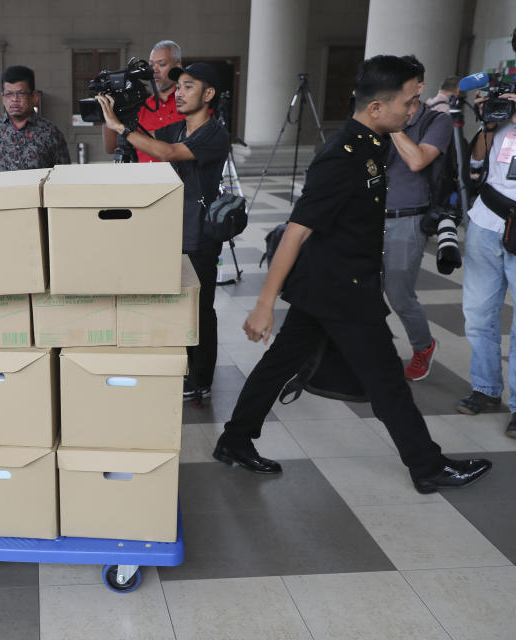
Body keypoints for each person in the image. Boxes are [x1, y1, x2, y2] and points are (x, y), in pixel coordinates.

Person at [207, 55, 491, 495]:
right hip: (342, 291)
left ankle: (234, 440)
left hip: (331, 285)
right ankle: (427, 466)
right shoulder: (341, 156)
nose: (415, 110)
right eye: (410, 102)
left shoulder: (374, 143)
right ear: (376, 108)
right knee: (386, 382)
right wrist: (263, 305)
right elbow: (297, 231)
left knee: (279, 364)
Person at [97, 62, 230, 404]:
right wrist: (118, 114)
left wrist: (123, 129)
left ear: (209, 94)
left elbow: (168, 153)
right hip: (175, 231)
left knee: (200, 309)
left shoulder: (213, 132)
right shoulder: (178, 128)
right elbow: (147, 141)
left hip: (201, 234)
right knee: (177, 307)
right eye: (179, 87)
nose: (180, 93)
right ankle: (182, 370)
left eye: (188, 87)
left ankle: (201, 380)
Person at [382, 56, 452, 381]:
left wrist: (394, 125)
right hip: (369, 217)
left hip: (407, 219)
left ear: (420, 86)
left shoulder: (436, 121)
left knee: (399, 294)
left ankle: (423, 345)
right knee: (364, 290)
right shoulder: (380, 115)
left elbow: (417, 161)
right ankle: (374, 351)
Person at [456, 86, 516, 437]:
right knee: (478, 313)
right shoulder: (501, 107)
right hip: (486, 221)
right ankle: (485, 388)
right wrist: (490, 125)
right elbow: (476, 164)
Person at [102, 40, 186, 162]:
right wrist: (107, 112)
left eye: (161, 64)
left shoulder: (189, 104)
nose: (154, 70)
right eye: (151, 65)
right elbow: (111, 148)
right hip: (146, 179)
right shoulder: (139, 106)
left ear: (177, 67)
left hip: (181, 179)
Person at [0, 65, 70, 173]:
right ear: (3, 98)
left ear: (34, 96)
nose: (14, 99)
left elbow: (63, 174)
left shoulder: (50, 132)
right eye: (9, 94)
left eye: (21, 93)